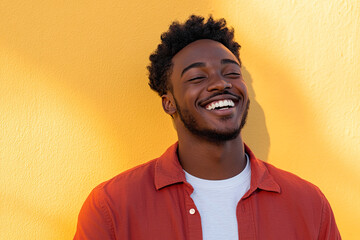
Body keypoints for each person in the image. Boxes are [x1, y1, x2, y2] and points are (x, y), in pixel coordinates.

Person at [74, 15, 341, 240]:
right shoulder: (113, 207)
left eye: (232, 73)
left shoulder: (309, 204)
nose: (220, 84)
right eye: (197, 77)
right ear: (169, 103)